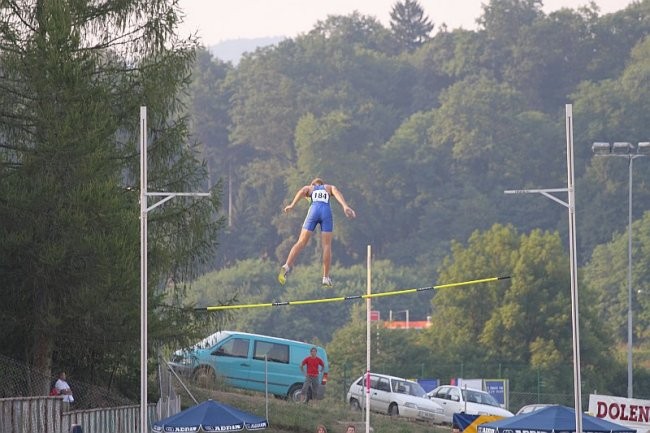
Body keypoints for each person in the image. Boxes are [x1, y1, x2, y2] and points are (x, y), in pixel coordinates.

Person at [278, 178, 356, 287]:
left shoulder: (309, 188)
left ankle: (286, 266)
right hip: (326, 212)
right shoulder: (329, 187)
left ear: (313, 184)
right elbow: (337, 193)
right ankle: (325, 277)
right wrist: (345, 206)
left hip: (313, 212)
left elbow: (301, 191)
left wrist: (292, 205)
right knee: (326, 245)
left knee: (300, 242)